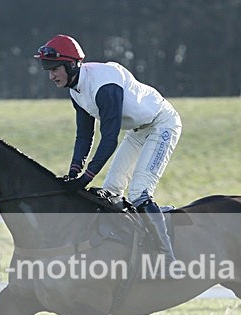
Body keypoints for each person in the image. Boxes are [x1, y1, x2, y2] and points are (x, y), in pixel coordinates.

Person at [35, 34, 182, 263]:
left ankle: (168, 258)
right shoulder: (75, 90)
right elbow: (84, 135)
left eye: (54, 69)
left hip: (162, 124)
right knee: (111, 192)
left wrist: (86, 178)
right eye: (48, 69)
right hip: (138, 131)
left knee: (139, 193)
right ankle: (131, 251)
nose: (51, 75)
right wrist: (74, 171)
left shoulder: (104, 87)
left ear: (71, 65)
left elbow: (109, 139)